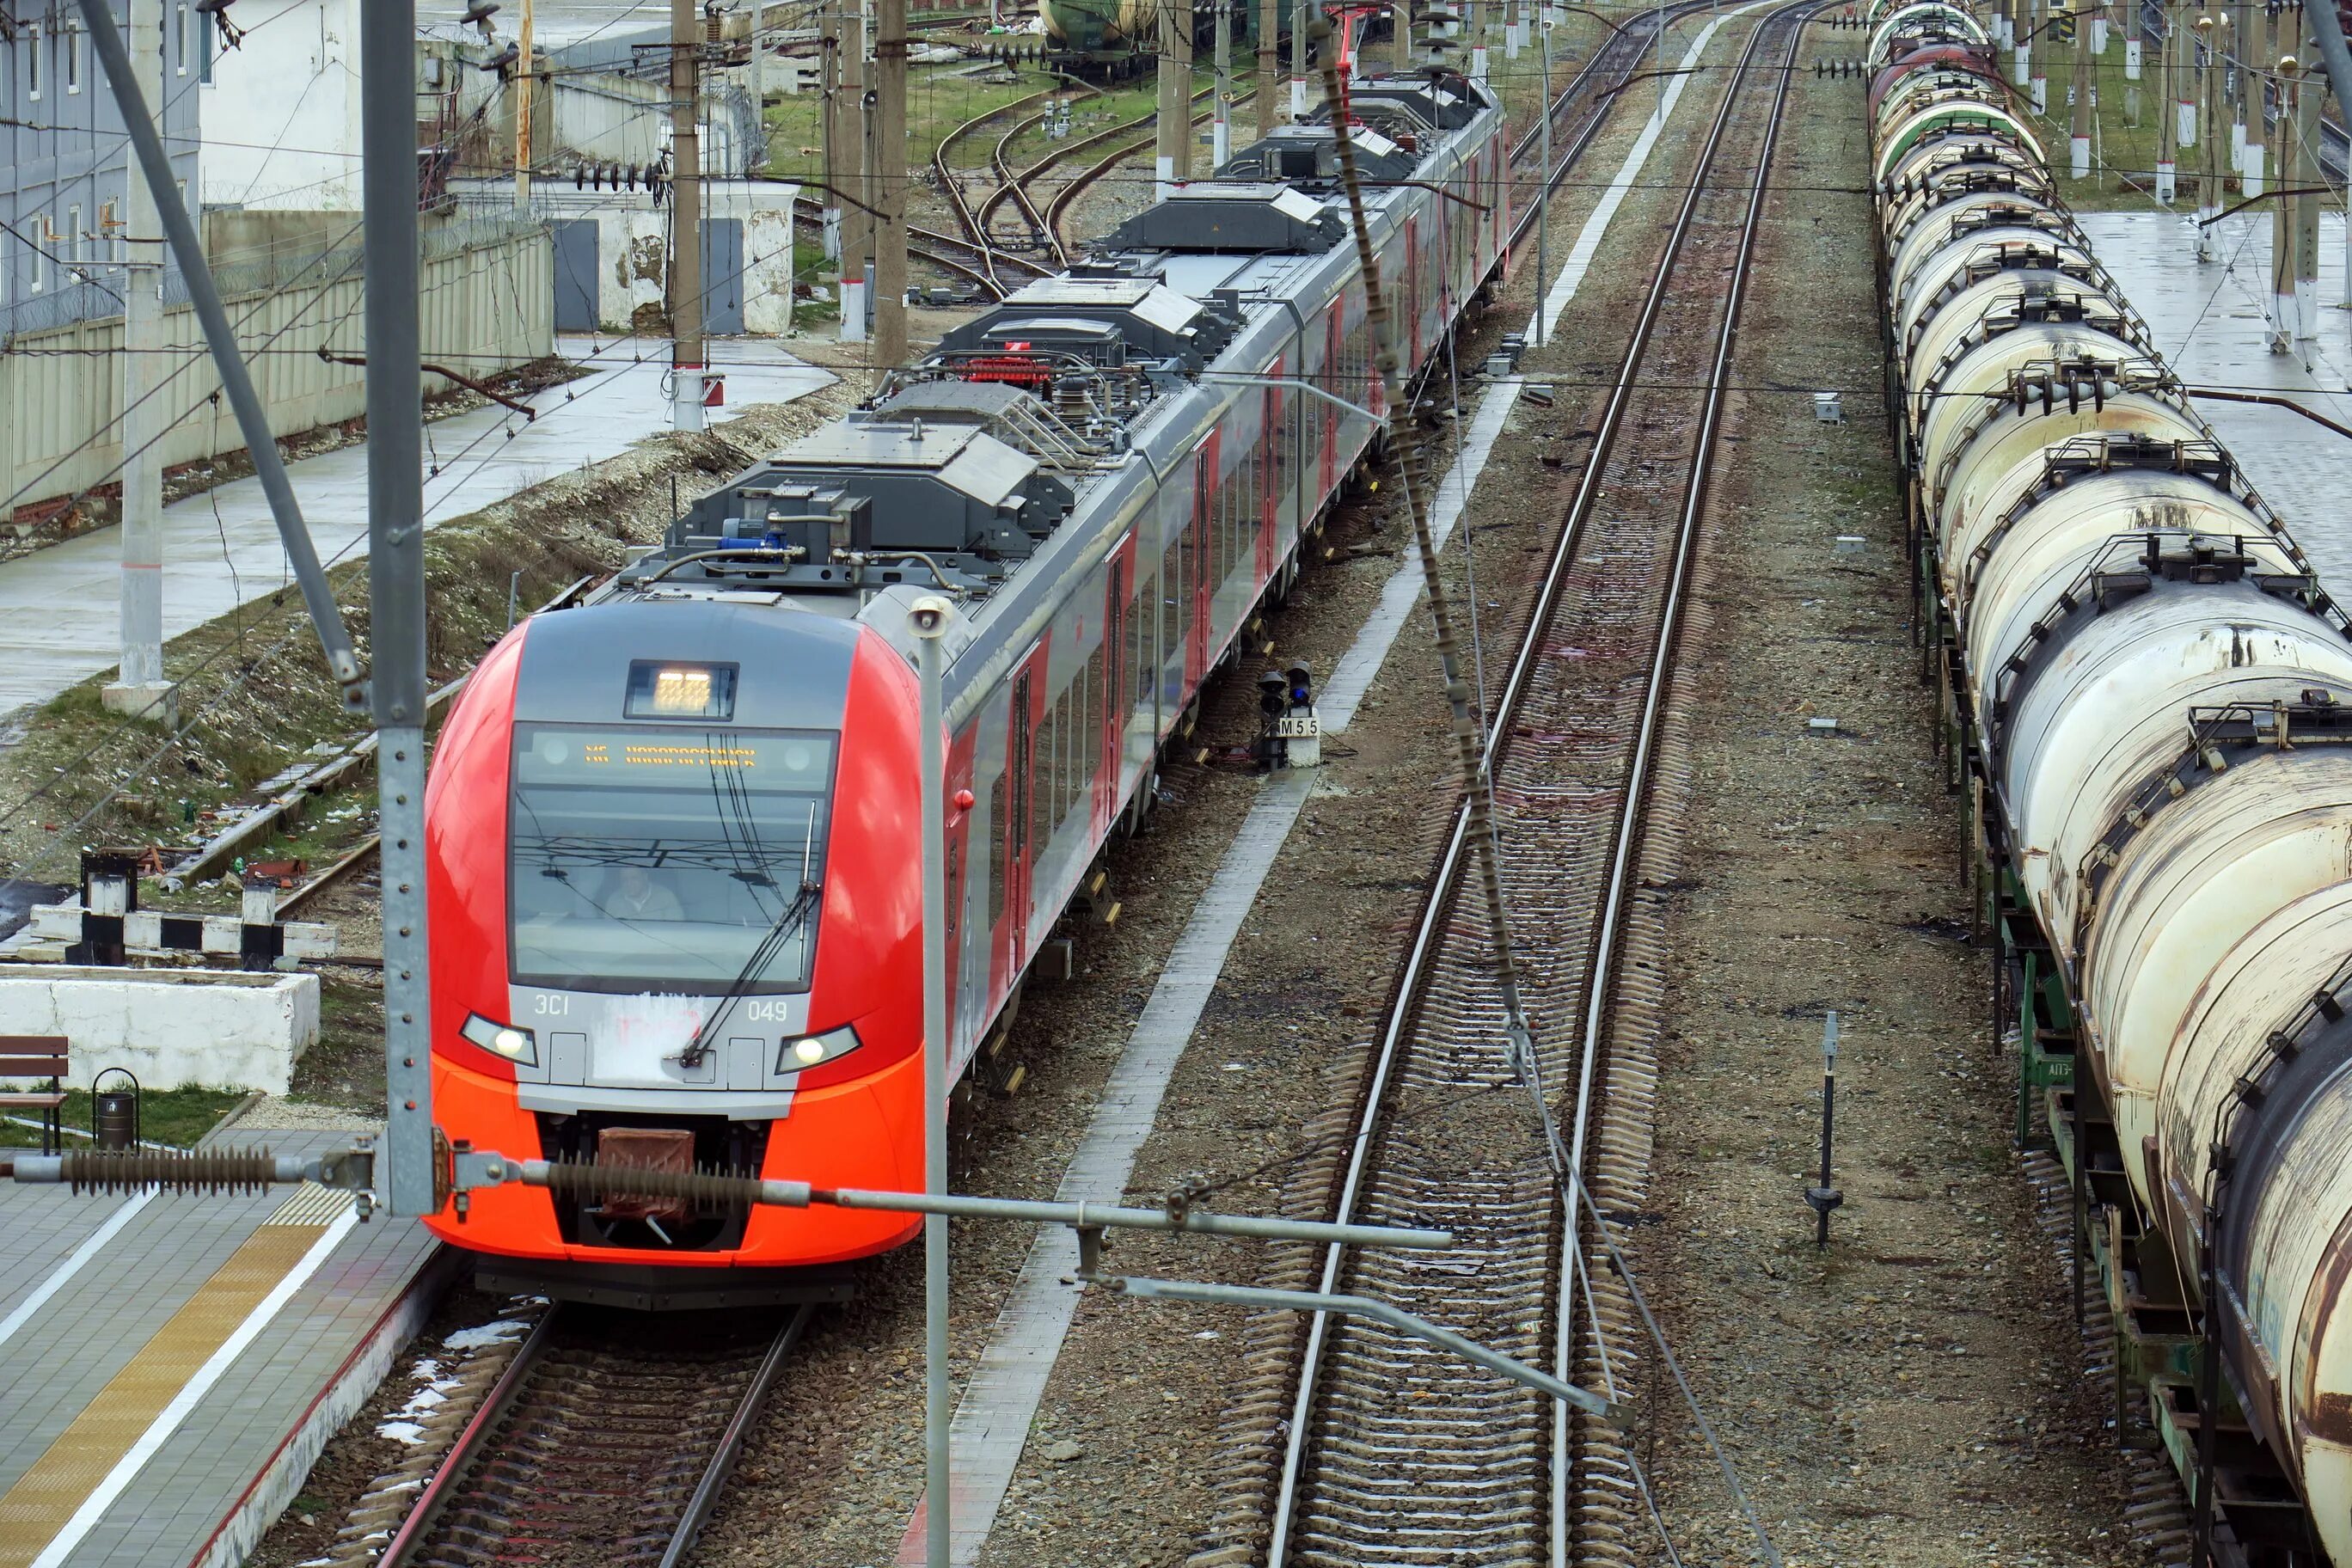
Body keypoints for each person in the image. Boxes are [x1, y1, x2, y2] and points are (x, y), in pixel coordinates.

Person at [605, 865, 683, 922]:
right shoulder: (614, 901)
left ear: (645, 877)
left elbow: (676, 929)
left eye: (634, 878)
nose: (629, 883)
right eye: (625, 880)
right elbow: (607, 931)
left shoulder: (666, 896)